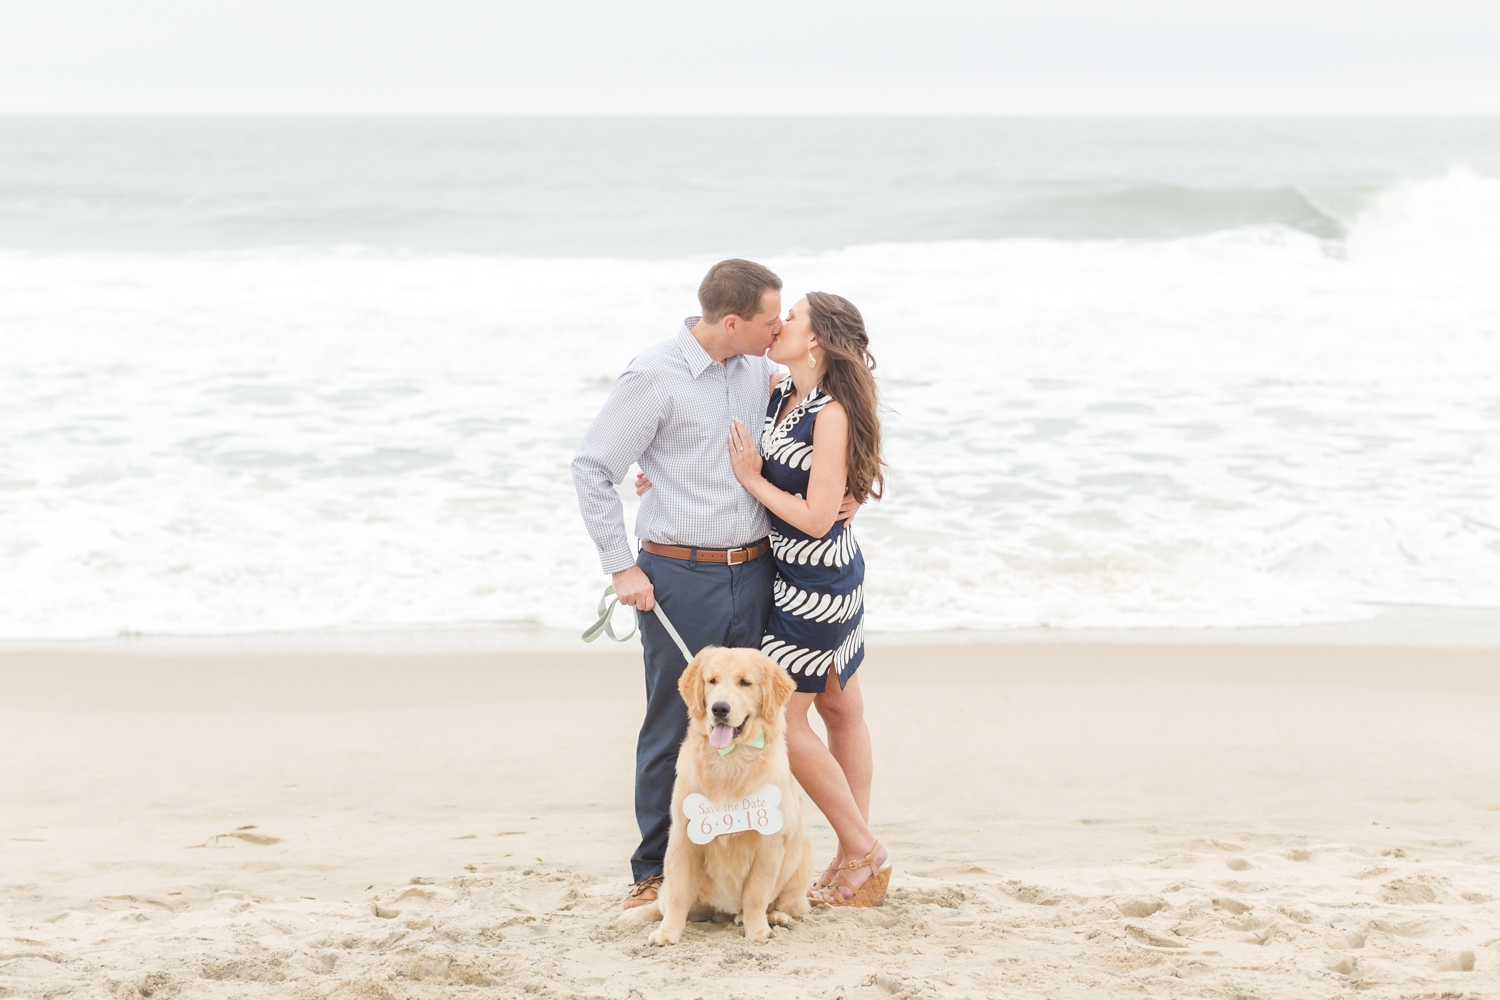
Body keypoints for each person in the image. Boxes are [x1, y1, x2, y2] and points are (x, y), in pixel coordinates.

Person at [572, 260, 856, 910]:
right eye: (768, 319)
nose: (779, 327)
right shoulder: (654, 376)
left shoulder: (761, 369)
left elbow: (830, 412)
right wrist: (622, 566)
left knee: (752, 725)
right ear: (732, 322)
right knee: (678, 722)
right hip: (678, 575)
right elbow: (592, 467)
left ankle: (735, 867)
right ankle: (653, 873)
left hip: (756, 570)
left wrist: (853, 493)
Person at [725, 291, 889, 906]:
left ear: (816, 339)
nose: (780, 323)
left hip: (817, 585)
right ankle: (857, 856)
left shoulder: (831, 412)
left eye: (791, 317)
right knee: (841, 706)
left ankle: (862, 850)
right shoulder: (778, 392)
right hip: (792, 575)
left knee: (781, 719)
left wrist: (752, 480)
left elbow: (819, 518)